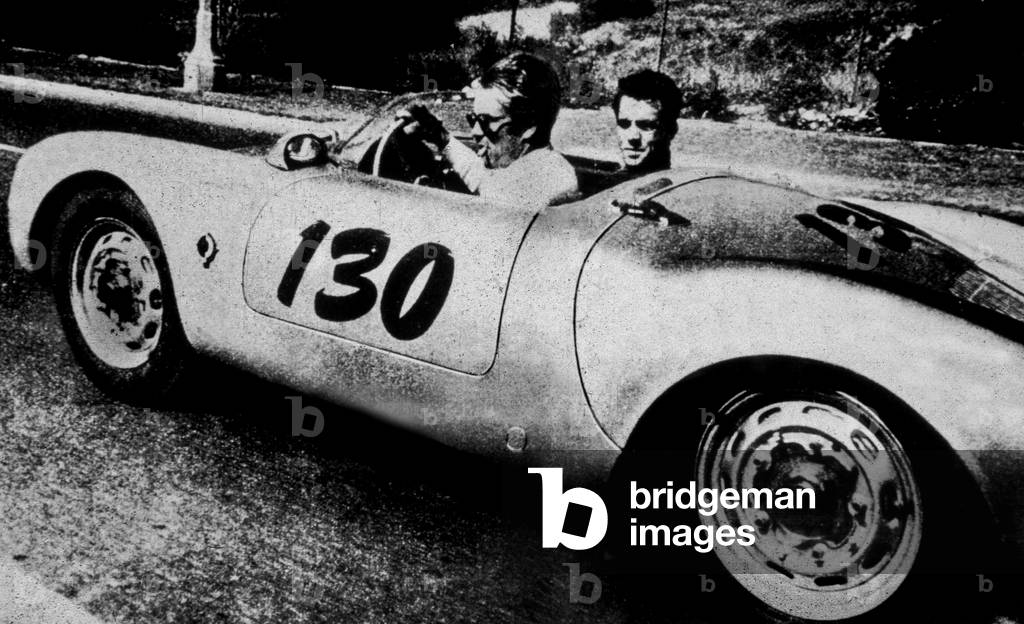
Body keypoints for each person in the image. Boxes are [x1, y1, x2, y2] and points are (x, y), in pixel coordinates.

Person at [398, 53, 579, 207]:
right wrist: (440, 137)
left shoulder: (552, 181)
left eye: (485, 122)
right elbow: (485, 178)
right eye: (473, 120)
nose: (475, 132)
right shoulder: (536, 168)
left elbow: (493, 188)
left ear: (528, 127)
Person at [613, 70, 682, 175]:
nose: (633, 136)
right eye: (624, 124)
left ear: (670, 130)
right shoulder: (605, 187)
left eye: (646, 126)